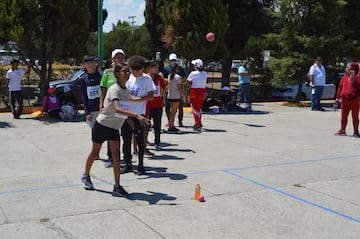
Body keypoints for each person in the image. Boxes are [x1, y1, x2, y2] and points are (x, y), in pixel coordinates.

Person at [81, 63, 149, 196]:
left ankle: (117, 186)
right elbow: (118, 108)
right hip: (102, 125)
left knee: (116, 155)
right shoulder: (114, 89)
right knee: (95, 152)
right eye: (125, 72)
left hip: (114, 127)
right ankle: (86, 175)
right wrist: (137, 116)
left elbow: (125, 110)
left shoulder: (126, 91)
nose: (128, 74)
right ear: (117, 74)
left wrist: (132, 122)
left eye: (128, 72)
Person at [121, 55, 156, 175]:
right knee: (126, 139)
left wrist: (138, 99)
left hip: (139, 114)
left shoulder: (146, 79)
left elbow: (151, 96)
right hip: (126, 113)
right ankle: (128, 163)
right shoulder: (128, 78)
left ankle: (141, 164)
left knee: (139, 138)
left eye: (138, 70)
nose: (136, 73)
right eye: (133, 70)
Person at [99, 48, 126, 168]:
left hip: (124, 106)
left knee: (124, 133)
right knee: (111, 132)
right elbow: (102, 89)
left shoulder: (126, 71)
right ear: (112, 59)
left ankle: (125, 157)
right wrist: (101, 104)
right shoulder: (107, 72)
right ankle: (111, 157)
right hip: (110, 107)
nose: (119, 59)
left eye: (121, 57)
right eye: (117, 57)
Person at [145, 61, 167, 150]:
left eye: (158, 68)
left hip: (157, 104)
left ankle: (157, 142)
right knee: (146, 125)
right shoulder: (145, 77)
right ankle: (144, 141)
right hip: (147, 105)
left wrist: (163, 90)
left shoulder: (159, 78)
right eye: (155, 68)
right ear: (150, 68)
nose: (157, 70)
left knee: (157, 125)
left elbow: (163, 91)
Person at [334, 62, 360, 137]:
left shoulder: (358, 77)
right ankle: (342, 130)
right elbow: (340, 87)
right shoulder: (344, 77)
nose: (346, 69)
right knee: (344, 116)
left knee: (355, 116)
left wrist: (354, 79)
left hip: (354, 100)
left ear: (353, 69)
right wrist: (337, 97)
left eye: (348, 67)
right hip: (344, 100)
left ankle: (355, 132)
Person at [163, 53, 187, 127]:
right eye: (171, 60)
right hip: (172, 92)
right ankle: (170, 122)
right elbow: (164, 79)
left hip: (173, 92)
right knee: (169, 109)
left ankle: (179, 121)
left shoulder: (181, 69)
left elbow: (184, 77)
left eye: (174, 60)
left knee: (179, 108)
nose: (173, 61)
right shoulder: (166, 69)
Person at [80, 55, 101, 128]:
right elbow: (84, 96)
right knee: (95, 132)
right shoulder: (83, 79)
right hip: (92, 110)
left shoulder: (101, 75)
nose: (90, 65)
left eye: (91, 63)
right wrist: (87, 112)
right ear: (84, 65)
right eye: (87, 63)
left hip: (102, 109)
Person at [186, 59, 207, 131]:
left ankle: (197, 124)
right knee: (199, 108)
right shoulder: (204, 73)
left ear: (196, 66)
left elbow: (187, 82)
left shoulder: (193, 73)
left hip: (195, 91)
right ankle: (199, 122)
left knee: (194, 108)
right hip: (203, 91)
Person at [166, 62, 183, 133]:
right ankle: (171, 126)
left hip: (170, 95)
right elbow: (179, 88)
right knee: (173, 112)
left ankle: (171, 124)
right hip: (176, 96)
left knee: (172, 111)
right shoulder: (177, 77)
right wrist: (181, 95)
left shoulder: (170, 76)